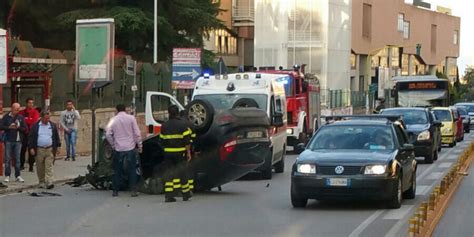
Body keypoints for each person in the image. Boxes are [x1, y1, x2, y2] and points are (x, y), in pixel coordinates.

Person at [105, 104, 142, 197]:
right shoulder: (131, 118)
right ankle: (133, 190)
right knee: (132, 169)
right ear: (125, 109)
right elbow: (137, 133)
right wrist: (140, 145)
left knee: (117, 170)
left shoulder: (113, 120)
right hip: (130, 148)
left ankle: (115, 191)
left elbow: (108, 134)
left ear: (116, 110)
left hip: (118, 149)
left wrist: (113, 145)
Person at [161, 105, 193, 203]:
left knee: (169, 174)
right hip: (180, 153)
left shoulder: (164, 125)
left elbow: (161, 140)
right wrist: (188, 153)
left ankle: (168, 196)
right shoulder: (182, 125)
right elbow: (187, 141)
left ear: (169, 113)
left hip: (168, 153)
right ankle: (186, 194)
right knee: (182, 173)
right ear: (178, 113)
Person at [28, 110, 61, 189]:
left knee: (49, 166)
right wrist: (31, 148)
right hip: (39, 149)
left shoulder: (52, 126)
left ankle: (49, 181)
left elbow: (56, 136)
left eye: (48, 118)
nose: (47, 120)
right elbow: (31, 137)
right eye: (46, 118)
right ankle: (41, 181)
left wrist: (58, 146)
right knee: (40, 167)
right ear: (41, 118)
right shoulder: (35, 126)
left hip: (49, 149)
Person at [0, 103, 27, 183]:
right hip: (8, 140)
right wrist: (9, 127)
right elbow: (1, 126)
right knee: (8, 159)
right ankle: (7, 175)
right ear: (12, 108)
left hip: (18, 141)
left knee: (17, 159)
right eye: (16, 109)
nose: (18, 111)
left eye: (18, 109)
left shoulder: (20, 117)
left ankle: (18, 175)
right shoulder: (6, 116)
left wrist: (18, 127)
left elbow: (25, 128)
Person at [19, 98, 40, 172]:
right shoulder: (22, 112)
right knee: (22, 149)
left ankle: (31, 166)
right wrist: (28, 120)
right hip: (24, 133)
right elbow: (21, 121)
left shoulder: (35, 112)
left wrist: (27, 120)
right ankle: (21, 165)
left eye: (32, 103)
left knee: (31, 150)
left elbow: (34, 121)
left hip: (31, 134)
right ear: (26, 103)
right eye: (29, 103)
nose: (31, 104)